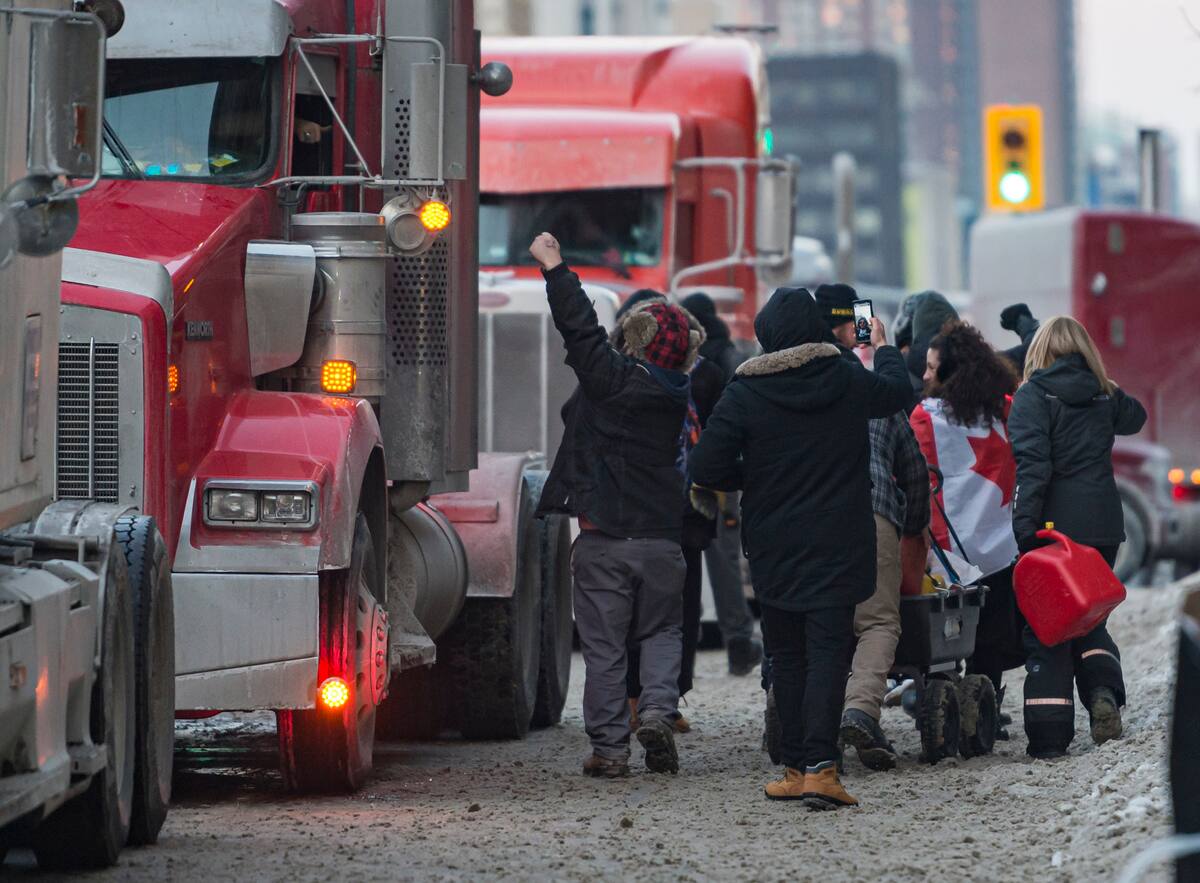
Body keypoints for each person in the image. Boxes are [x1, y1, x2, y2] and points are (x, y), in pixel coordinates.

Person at [689, 287, 910, 810]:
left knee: (787, 655)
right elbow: (896, 393)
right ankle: (822, 769)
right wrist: (882, 347)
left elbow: (704, 468)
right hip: (839, 539)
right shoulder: (842, 376)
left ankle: (792, 767)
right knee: (830, 653)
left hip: (773, 543)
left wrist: (757, 476)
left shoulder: (745, 392)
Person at [531, 233, 701, 778]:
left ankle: (609, 750)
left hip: (605, 538)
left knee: (604, 647)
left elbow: (580, 332)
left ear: (636, 338)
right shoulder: (677, 394)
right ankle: (655, 709)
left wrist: (557, 268)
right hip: (662, 541)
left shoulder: (613, 383)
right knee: (662, 632)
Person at [1008, 316, 1146, 758]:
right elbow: (1136, 417)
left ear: (1039, 352)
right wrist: (1105, 382)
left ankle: (1049, 736)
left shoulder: (1032, 396)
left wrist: (1024, 529)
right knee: (1090, 620)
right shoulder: (1103, 394)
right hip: (1103, 528)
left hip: (1054, 529)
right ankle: (1104, 692)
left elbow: (1033, 467)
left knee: (1049, 629)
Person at [619, 290, 720, 732]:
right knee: (677, 609)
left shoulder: (617, 377)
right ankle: (664, 699)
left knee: (634, 610)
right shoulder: (704, 374)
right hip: (685, 511)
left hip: (644, 512)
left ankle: (643, 700)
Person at [910, 321, 1025, 704]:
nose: (925, 374)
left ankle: (943, 704)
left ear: (951, 372)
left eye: (931, 367)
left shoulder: (924, 417)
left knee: (943, 633)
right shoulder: (1007, 412)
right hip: (1001, 546)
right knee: (990, 639)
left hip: (946, 551)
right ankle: (984, 707)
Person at [839, 412, 930, 771]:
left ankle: (811, 729)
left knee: (818, 622)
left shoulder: (781, 390)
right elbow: (915, 474)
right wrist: (913, 526)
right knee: (877, 622)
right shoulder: (878, 399)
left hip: (803, 524)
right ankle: (860, 710)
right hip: (871, 514)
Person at [679, 292, 763, 676]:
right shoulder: (730, 357)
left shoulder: (693, 360)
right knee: (723, 558)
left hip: (691, 471)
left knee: (689, 559)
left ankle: (684, 642)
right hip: (723, 477)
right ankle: (739, 643)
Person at [997, 302, 1041, 373]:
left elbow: (1026, 350)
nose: (1017, 332)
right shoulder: (1036, 333)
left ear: (1021, 319)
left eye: (1014, 326)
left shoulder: (1037, 336)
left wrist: (992, 356)